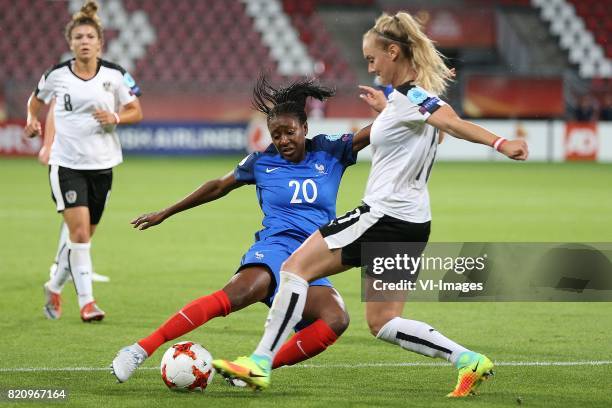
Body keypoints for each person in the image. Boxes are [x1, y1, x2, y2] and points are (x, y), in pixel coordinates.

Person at [213, 11, 529, 398]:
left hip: (381, 214)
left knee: (293, 268)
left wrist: (501, 144)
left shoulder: (415, 96)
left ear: (393, 52)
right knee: (383, 321)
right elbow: (427, 132)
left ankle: (260, 361)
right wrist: (385, 109)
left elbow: (450, 123)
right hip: (413, 224)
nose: (369, 64)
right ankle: (467, 360)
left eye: (372, 57)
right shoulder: (403, 101)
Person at [110, 75, 379, 383]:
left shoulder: (331, 152)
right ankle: (138, 349)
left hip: (314, 259)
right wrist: (166, 212)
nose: (283, 141)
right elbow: (218, 186)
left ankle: (253, 368)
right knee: (234, 295)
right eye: (275, 135)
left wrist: (394, 107)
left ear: (305, 128)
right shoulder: (262, 162)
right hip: (275, 249)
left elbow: (376, 132)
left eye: (289, 132)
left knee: (336, 319)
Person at [24, 0, 143, 322]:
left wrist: (116, 116)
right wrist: (32, 122)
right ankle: (88, 303)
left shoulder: (116, 75)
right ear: (71, 43)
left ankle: (54, 285)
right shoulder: (57, 76)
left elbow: (137, 110)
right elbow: (35, 103)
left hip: (103, 164)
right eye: (79, 37)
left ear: (100, 42)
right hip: (66, 164)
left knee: (83, 237)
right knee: (78, 235)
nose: (84, 42)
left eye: (90, 37)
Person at [40, 100, 111, 284]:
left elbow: (133, 103)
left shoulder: (112, 75)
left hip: (98, 158)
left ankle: (76, 266)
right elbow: (55, 106)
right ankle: (60, 266)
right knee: (77, 215)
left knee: (85, 220)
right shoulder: (68, 73)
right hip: (70, 158)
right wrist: (48, 145)